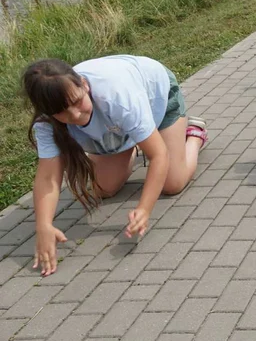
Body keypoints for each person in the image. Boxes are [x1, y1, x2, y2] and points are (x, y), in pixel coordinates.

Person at [24, 56, 209, 276]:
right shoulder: (46, 123)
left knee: (172, 183)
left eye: (76, 102)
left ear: (84, 84)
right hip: (118, 123)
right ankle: (133, 140)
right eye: (61, 113)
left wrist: (144, 209)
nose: (74, 115)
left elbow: (158, 155)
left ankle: (194, 135)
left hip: (156, 96)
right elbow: (47, 178)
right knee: (103, 188)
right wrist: (43, 226)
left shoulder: (117, 96)